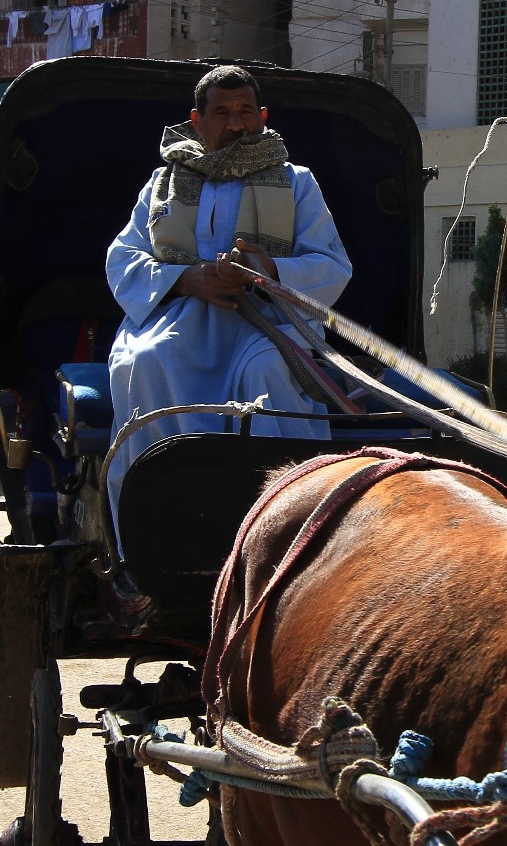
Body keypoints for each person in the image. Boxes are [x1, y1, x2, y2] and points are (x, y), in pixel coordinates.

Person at [104, 64, 353, 515]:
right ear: (198, 121)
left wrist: (267, 267)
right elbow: (124, 258)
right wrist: (188, 279)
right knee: (148, 361)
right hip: (178, 318)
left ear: (262, 116)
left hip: (267, 324)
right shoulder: (162, 185)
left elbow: (332, 265)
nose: (236, 124)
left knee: (266, 372)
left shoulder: (297, 182)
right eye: (222, 113)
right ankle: (161, 517)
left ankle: (278, 520)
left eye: (245, 112)